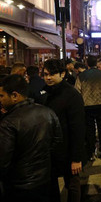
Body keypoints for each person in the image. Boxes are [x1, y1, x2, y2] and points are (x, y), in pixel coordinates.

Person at [0, 74, 62, 202]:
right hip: (45, 179)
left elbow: (3, 161)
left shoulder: (8, 123)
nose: (0, 100)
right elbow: (57, 141)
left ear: (15, 96)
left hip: (20, 185)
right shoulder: (47, 112)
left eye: (2, 96)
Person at [42, 59, 86, 202]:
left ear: (62, 74)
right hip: (50, 150)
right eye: (46, 74)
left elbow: (78, 128)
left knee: (72, 184)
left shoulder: (72, 95)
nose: (48, 78)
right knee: (50, 184)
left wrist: (76, 158)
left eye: (52, 74)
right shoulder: (44, 93)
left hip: (67, 149)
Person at [75, 56, 101, 160]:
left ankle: (91, 152)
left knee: (90, 130)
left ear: (87, 63)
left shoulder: (81, 76)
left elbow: (77, 91)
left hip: (88, 106)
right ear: (96, 63)